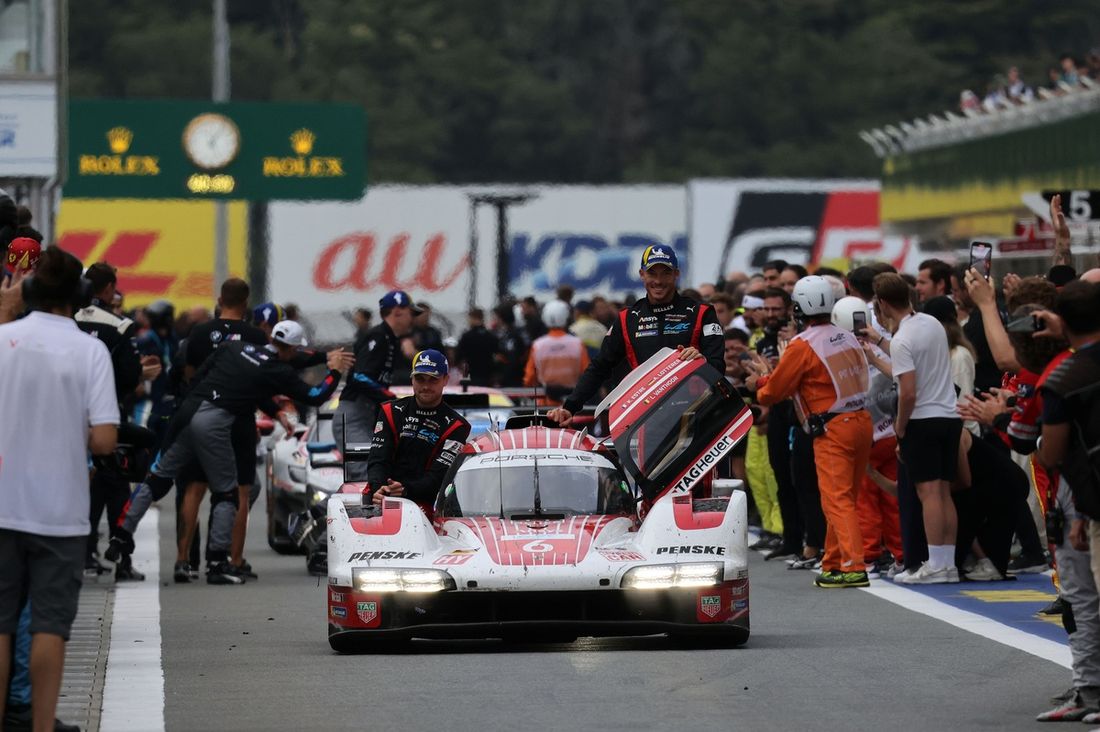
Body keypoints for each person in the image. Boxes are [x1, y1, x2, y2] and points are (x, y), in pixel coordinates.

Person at [108, 321, 349, 584]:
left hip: (187, 411)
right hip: (214, 421)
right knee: (227, 492)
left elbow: (201, 374)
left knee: (158, 477)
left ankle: (121, 534)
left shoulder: (234, 347)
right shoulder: (275, 369)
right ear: (291, 348)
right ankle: (217, 562)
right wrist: (334, 371)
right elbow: (315, 394)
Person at [0, 247, 119, 732]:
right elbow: (105, 438)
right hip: (60, 510)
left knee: (1, 623)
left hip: (3, 505)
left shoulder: (3, 340)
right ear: (80, 298)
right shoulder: (91, 350)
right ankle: (43, 725)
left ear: (28, 289)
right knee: (50, 624)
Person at [747, 275, 873, 588]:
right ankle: (832, 562)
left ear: (798, 308)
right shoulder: (846, 336)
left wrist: (758, 384)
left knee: (836, 500)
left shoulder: (802, 345)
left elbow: (774, 391)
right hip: (860, 421)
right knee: (844, 498)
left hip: (832, 427)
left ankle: (852, 565)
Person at [548, 246, 724, 426]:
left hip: (697, 415)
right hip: (648, 420)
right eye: (652, 273)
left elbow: (718, 366)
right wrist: (569, 407)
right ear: (642, 274)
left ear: (676, 274)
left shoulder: (701, 313)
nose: (658, 281)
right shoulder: (628, 318)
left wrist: (702, 361)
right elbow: (600, 367)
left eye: (665, 273)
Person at [1036, 280, 1100, 723]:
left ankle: (1092, 691)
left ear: (1060, 322)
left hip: (1091, 496)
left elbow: (1050, 453)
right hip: (1089, 500)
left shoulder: (1063, 377)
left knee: (1085, 596)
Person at [873, 272, 963, 584]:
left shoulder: (902, 339)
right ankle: (946, 563)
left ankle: (936, 565)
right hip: (949, 417)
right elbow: (907, 368)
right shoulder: (930, 323)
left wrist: (900, 428)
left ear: (883, 303)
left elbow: (907, 391)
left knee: (929, 494)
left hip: (922, 420)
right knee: (943, 492)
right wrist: (877, 345)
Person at [75, 262, 149, 581]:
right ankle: (122, 557)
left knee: (88, 486)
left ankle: (86, 554)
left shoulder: (69, 318)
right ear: (108, 289)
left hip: (71, 414)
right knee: (119, 481)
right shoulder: (119, 326)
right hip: (108, 415)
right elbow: (130, 376)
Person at [367, 350, 471, 512]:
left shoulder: (456, 426)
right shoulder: (390, 411)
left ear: (445, 380)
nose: (425, 386)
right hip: (383, 496)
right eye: (420, 379)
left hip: (426, 505)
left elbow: (439, 477)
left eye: (433, 380)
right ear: (412, 378)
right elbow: (378, 459)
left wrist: (406, 489)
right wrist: (378, 488)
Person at [335, 290, 419, 481]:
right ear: (397, 312)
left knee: (380, 474)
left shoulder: (390, 340)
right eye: (410, 313)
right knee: (365, 477)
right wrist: (390, 398)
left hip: (366, 417)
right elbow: (360, 376)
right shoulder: (378, 337)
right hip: (353, 416)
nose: (412, 319)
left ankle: (313, 513)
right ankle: (313, 512)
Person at [524, 300, 589, 406]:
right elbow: (586, 372)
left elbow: (530, 377)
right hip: (572, 401)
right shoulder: (577, 343)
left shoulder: (538, 345)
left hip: (546, 402)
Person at [456, 307, 500, 386]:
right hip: (487, 375)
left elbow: (459, 356)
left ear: (473, 318)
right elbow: (497, 355)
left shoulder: (467, 336)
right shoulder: (491, 336)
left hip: (470, 375)